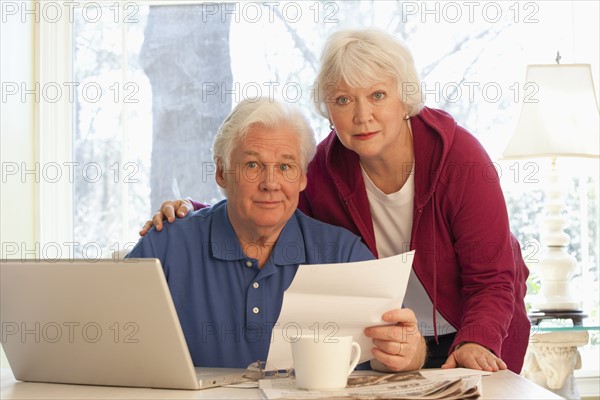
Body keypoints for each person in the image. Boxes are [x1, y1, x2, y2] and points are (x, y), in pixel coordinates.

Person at [141, 28, 530, 373]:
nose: (363, 116)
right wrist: (192, 213)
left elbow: (494, 277)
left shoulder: (458, 158)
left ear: (405, 98)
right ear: (328, 108)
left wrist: (477, 340)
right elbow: (268, 198)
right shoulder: (323, 167)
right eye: (344, 100)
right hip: (383, 334)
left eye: (378, 95)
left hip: (474, 324)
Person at [128, 97, 427, 371]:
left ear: (302, 177)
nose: (270, 183)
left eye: (285, 166)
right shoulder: (165, 246)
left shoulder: (343, 254)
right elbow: (107, 347)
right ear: (221, 172)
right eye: (253, 165)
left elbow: (399, 346)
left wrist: (409, 353)